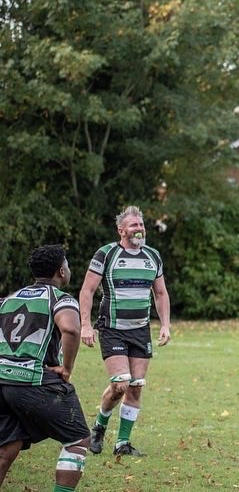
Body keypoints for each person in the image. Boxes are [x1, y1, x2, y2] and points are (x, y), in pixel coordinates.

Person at [80, 205, 171, 457]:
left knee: (136, 386)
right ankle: (99, 426)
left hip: (141, 330)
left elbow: (160, 293)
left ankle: (122, 443)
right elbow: (87, 290)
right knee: (120, 384)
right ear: (121, 230)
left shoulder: (153, 255)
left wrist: (165, 324)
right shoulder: (106, 254)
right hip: (113, 329)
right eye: (134, 225)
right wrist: (86, 325)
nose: (139, 229)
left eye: (141, 225)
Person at [0, 245, 91, 491]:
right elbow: (71, 329)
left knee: (7, 447)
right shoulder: (60, 298)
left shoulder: (10, 298)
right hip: (32, 381)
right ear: (61, 271)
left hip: (2, 381)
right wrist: (67, 368)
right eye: (68, 265)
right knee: (78, 439)